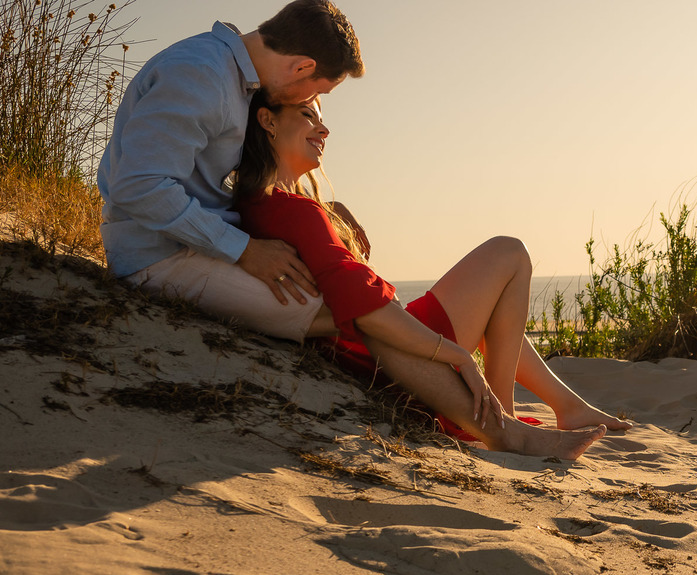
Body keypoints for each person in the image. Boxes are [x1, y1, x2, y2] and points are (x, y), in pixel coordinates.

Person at [232, 93, 630, 459]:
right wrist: (454, 353)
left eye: (321, 119)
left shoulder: (269, 204)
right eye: (307, 115)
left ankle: (566, 406)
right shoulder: (291, 210)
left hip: (370, 347)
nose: (324, 129)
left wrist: (330, 209)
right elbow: (361, 300)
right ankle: (500, 418)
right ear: (267, 121)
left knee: (498, 305)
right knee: (509, 253)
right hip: (383, 351)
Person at [97, 0, 362, 342]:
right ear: (302, 67)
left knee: (346, 294)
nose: (309, 101)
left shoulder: (236, 78)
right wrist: (244, 250)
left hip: (194, 243)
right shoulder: (202, 72)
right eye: (318, 91)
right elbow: (140, 187)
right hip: (158, 256)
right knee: (340, 307)